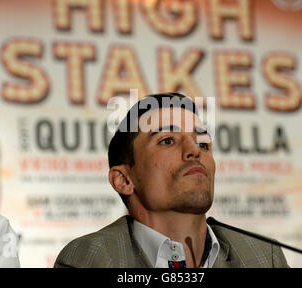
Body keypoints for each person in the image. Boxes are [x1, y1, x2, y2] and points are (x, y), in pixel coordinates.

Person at [54, 92, 289, 268]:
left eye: (203, 142)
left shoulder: (263, 256)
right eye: (167, 140)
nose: (194, 151)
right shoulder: (88, 259)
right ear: (124, 180)